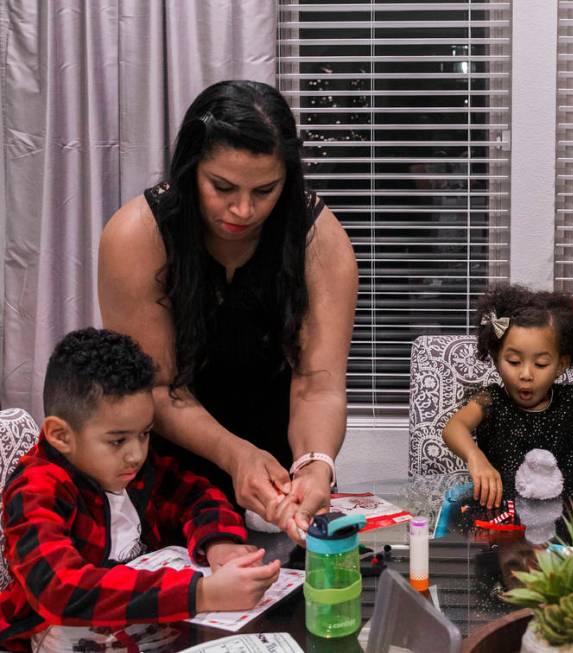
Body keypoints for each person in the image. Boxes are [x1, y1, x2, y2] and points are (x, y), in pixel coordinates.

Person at [98, 80, 358, 540]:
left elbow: (318, 385)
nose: (242, 209)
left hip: (279, 478)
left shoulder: (318, 238)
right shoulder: (138, 235)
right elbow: (155, 388)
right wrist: (235, 454)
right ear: (191, 168)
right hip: (168, 478)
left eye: (265, 190)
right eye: (222, 187)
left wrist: (315, 462)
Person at [0, 328, 281, 653]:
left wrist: (218, 543)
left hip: (144, 629)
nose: (136, 453)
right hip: (49, 637)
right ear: (61, 436)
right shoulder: (35, 488)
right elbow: (60, 589)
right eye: (118, 440)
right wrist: (201, 594)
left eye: (144, 434)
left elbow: (196, 496)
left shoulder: (130, 469)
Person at [443, 284, 573, 508]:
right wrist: (475, 457)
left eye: (541, 364)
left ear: (561, 365)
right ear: (496, 358)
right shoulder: (490, 400)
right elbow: (453, 428)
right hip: (501, 517)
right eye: (513, 362)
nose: (526, 374)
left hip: (565, 520)